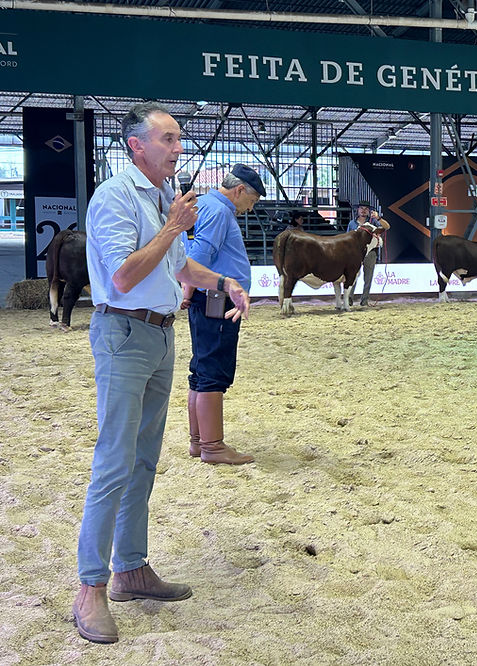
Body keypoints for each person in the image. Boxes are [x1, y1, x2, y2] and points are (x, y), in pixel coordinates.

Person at [75, 102, 249, 644]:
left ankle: (131, 568)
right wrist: (174, 226)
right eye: (169, 139)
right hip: (124, 332)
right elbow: (124, 275)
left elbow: (177, 268)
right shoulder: (114, 197)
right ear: (137, 146)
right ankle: (90, 589)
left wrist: (222, 282)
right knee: (113, 461)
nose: (178, 147)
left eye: (177, 139)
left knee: (144, 458)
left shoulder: (155, 198)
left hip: (157, 333)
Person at [181, 164, 265, 466]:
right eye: (252, 201)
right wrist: (187, 293)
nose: (249, 207)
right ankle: (213, 447)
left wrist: (189, 296)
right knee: (213, 372)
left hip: (207, 300)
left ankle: (198, 441)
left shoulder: (207, 206)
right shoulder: (219, 212)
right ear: (240, 190)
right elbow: (197, 258)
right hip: (216, 301)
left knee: (201, 370)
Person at [345, 200, 390, 306]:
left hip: (370, 252)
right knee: (352, 276)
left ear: (369, 211)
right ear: (358, 210)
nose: (363, 211)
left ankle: (364, 300)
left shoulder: (374, 222)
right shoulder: (352, 223)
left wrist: (378, 218)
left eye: (366, 209)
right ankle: (349, 298)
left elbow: (387, 226)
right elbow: (347, 238)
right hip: (355, 253)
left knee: (368, 278)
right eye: (362, 208)